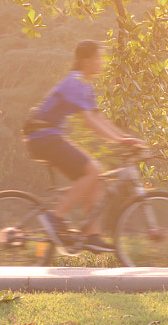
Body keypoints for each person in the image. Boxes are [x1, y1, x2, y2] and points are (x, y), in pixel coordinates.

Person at [22, 40, 143, 251]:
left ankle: (91, 235)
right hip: (43, 137)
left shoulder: (86, 84)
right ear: (86, 60)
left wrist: (125, 138)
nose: (102, 62)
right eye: (98, 57)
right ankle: (55, 217)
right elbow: (89, 122)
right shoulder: (75, 82)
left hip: (48, 137)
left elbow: (100, 119)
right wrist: (120, 141)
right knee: (93, 170)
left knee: (95, 178)